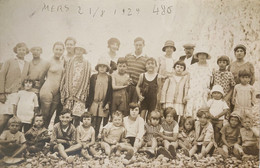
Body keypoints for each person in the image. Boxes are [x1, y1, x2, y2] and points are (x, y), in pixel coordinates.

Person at [0, 43, 30, 134]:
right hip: (8, 93)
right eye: (19, 49)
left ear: (26, 52)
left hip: (19, 94)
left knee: (14, 119)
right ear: (16, 50)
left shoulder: (27, 63)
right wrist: (1, 93)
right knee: (4, 118)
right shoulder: (9, 61)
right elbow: (2, 75)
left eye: (23, 50)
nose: (21, 51)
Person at [60, 47, 91, 127]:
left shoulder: (87, 63)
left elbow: (87, 80)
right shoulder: (70, 61)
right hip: (69, 92)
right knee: (67, 116)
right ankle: (66, 134)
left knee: (77, 116)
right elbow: (65, 76)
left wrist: (81, 93)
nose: (79, 52)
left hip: (80, 94)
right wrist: (67, 91)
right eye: (77, 50)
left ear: (83, 51)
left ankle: (75, 134)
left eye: (81, 50)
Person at [85, 58, 112, 138]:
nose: (102, 68)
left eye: (104, 66)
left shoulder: (109, 78)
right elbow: (90, 90)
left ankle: (98, 137)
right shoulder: (94, 77)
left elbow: (110, 92)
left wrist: (108, 103)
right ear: (97, 67)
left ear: (107, 68)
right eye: (100, 66)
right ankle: (90, 137)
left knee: (100, 121)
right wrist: (88, 103)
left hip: (103, 103)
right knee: (92, 120)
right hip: (94, 102)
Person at [40, 42, 64, 128]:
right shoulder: (48, 61)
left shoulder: (63, 62)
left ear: (63, 51)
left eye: (60, 50)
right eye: (56, 49)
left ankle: (45, 132)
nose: (58, 51)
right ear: (53, 50)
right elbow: (41, 76)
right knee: (44, 115)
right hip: (47, 90)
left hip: (57, 92)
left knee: (51, 115)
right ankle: (38, 133)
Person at [160, 61, 189, 125]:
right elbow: (164, 89)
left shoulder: (185, 79)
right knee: (168, 114)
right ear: (174, 68)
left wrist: (185, 98)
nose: (179, 69)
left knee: (177, 115)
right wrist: (163, 100)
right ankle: (166, 128)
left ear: (184, 70)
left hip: (179, 100)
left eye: (181, 67)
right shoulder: (169, 77)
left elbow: (186, 88)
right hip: (169, 99)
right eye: (177, 67)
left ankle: (176, 128)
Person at [185, 50, 212, 118]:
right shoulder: (192, 67)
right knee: (190, 112)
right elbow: (187, 81)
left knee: (201, 113)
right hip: (192, 93)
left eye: (204, 54)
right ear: (197, 56)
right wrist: (185, 94)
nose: (202, 56)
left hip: (203, 94)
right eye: (200, 54)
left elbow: (211, 83)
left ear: (206, 56)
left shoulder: (210, 68)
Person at [125, 37, 148, 103]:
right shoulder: (128, 56)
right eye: (136, 45)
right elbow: (124, 69)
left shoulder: (146, 59)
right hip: (127, 86)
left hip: (138, 88)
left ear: (143, 45)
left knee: (135, 107)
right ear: (134, 45)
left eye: (140, 45)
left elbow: (146, 75)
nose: (138, 47)